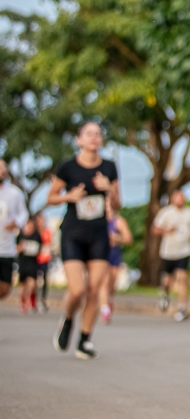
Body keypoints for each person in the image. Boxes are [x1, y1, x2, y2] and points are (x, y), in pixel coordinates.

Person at [46, 122, 121, 359]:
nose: (94, 138)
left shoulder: (109, 167)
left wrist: (109, 189)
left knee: (94, 290)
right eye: (89, 134)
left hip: (99, 235)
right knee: (77, 290)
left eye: (98, 134)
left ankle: (84, 340)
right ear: (79, 140)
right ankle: (68, 320)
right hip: (73, 234)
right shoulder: (68, 167)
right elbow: (51, 197)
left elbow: (118, 204)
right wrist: (69, 196)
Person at [153, 190, 190, 322]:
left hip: (184, 250)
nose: (180, 200)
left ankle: (182, 307)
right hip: (168, 251)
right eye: (178, 198)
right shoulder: (166, 213)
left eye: (182, 198)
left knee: (182, 278)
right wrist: (167, 230)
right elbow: (155, 229)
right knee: (168, 280)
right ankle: (165, 294)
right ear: (173, 199)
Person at [0, 158, 29, 302]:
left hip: (6, 248)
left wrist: (16, 222)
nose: (2, 171)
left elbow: (24, 214)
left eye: (3, 168)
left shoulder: (14, 193)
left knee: (5, 289)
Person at [98, 201, 132, 324]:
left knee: (112, 284)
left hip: (114, 254)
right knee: (104, 282)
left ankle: (109, 300)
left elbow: (128, 238)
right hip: (101, 254)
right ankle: (105, 310)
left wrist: (117, 238)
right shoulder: (98, 221)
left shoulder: (118, 221)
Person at [17, 217, 43, 314]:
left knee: (32, 284)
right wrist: (20, 248)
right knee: (23, 285)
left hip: (32, 263)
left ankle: (32, 301)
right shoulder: (20, 235)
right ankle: (23, 303)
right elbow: (16, 247)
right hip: (22, 262)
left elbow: (39, 248)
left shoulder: (36, 235)